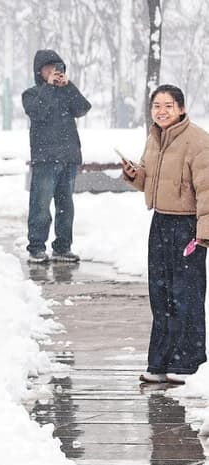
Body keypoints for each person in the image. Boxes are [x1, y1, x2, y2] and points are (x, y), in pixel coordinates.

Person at [121, 84, 209, 384]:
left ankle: (188, 364)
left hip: (187, 227)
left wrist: (203, 234)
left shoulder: (198, 141)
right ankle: (159, 363)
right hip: (160, 222)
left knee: (187, 296)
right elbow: (152, 179)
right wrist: (136, 175)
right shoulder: (154, 138)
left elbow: (207, 191)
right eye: (156, 106)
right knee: (161, 295)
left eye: (168, 106)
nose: (161, 111)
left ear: (181, 108)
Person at [22, 49, 91, 264]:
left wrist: (68, 86)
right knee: (41, 205)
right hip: (45, 159)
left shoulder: (66, 92)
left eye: (57, 68)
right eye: (49, 68)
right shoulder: (32, 94)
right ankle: (36, 247)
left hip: (68, 157)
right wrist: (50, 87)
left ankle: (63, 247)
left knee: (65, 207)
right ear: (39, 72)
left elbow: (82, 108)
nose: (54, 72)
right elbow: (37, 111)